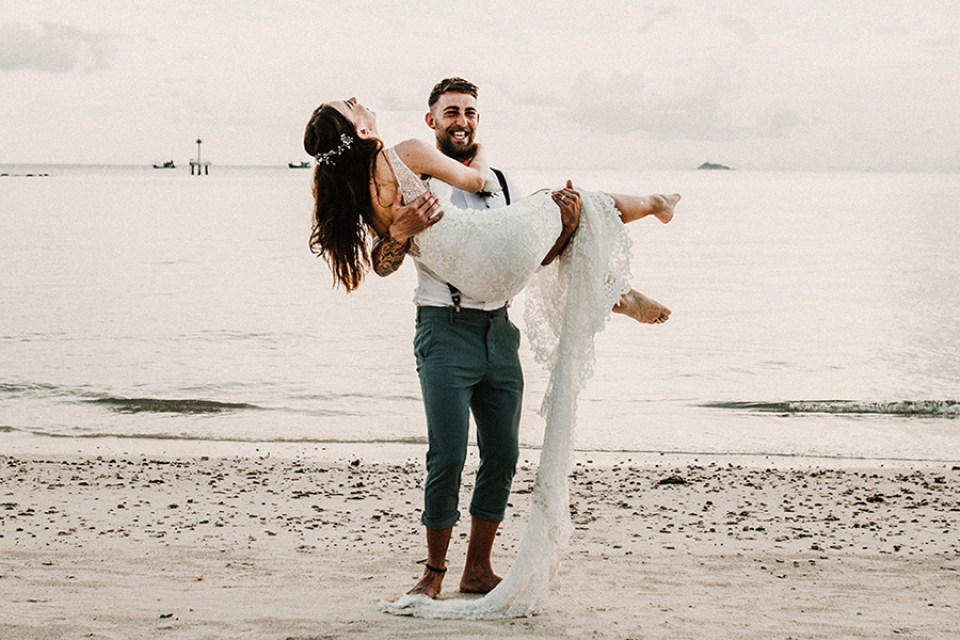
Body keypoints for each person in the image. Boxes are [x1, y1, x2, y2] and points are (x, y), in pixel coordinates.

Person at [303, 90, 679, 617]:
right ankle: (434, 571)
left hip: (498, 326)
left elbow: (527, 247)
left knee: (502, 453)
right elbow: (385, 262)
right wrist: (403, 232)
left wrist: (557, 220)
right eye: (452, 112)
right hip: (445, 326)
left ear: (477, 121)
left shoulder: (458, 184)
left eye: (470, 113)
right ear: (431, 120)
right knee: (448, 454)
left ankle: (477, 567)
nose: (462, 121)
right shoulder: (413, 159)